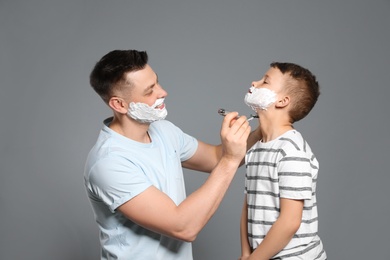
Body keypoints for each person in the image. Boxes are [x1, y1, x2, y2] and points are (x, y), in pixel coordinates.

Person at [84, 49, 261, 260]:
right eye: (150, 91)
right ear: (119, 104)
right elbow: (183, 227)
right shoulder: (108, 163)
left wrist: (264, 128)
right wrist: (230, 160)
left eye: (157, 82)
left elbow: (215, 157)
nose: (163, 92)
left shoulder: (164, 130)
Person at [239, 62, 327, 260]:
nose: (255, 82)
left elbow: (289, 221)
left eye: (265, 81)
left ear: (282, 101)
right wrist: (246, 253)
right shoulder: (256, 147)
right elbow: (249, 205)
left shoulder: (292, 151)